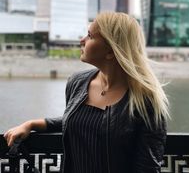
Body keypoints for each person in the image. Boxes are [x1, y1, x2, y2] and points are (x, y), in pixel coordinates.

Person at [4, 12, 169, 173]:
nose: (82, 40)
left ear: (111, 51)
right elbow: (80, 120)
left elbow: (147, 167)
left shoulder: (147, 101)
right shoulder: (77, 82)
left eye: (90, 36)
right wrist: (31, 124)